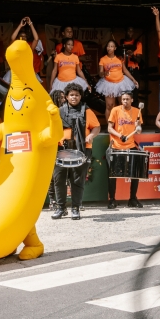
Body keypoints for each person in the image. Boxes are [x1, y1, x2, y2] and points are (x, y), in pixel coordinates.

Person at [52, 83, 101, 220]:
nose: (74, 97)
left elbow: (96, 127)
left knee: (77, 180)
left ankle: (75, 208)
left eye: (77, 95)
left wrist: (91, 135)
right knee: (59, 179)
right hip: (62, 149)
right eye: (71, 95)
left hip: (82, 149)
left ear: (80, 96)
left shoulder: (87, 111)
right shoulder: (60, 111)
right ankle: (61, 208)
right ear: (66, 97)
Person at [107, 91, 143, 209]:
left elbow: (139, 129)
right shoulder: (115, 110)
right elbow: (109, 128)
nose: (125, 101)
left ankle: (133, 198)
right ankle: (112, 199)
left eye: (127, 99)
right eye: (123, 99)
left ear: (132, 100)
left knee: (135, 173)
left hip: (131, 145)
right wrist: (119, 136)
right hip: (116, 145)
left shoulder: (137, 111)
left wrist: (138, 128)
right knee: (112, 175)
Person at [96, 40, 139, 119]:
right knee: (109, 106)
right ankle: (110, 126)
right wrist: (104, 73)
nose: (109, 48)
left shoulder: (119, 58)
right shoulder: (103, 59)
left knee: (122, 104)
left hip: (121, 83)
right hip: (108, 84)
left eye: (112, 46)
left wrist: (133, 79)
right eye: (108, 46)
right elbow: (100, 73)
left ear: (115, 48)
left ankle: (122, 124)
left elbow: (125, 70)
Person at [7, 17, 43, 83]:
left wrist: (30, 24)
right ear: (18, 38)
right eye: (21, 36)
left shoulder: (29, 46)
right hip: (16, 72)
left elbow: (36, 39)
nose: (23, 38)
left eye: (25, 36)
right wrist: (20, 25)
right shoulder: (15, 46)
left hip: (27, 72)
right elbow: (12, 38)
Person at [47, 90, 66, 210]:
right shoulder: (51, 111)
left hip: (62, 145)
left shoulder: (65, 112)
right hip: (52, 145)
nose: (63, 100)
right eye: (61, 98)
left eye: (64, 98)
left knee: (60, 175)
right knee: (52, 175)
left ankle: (58, 201)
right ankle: (52, 200)